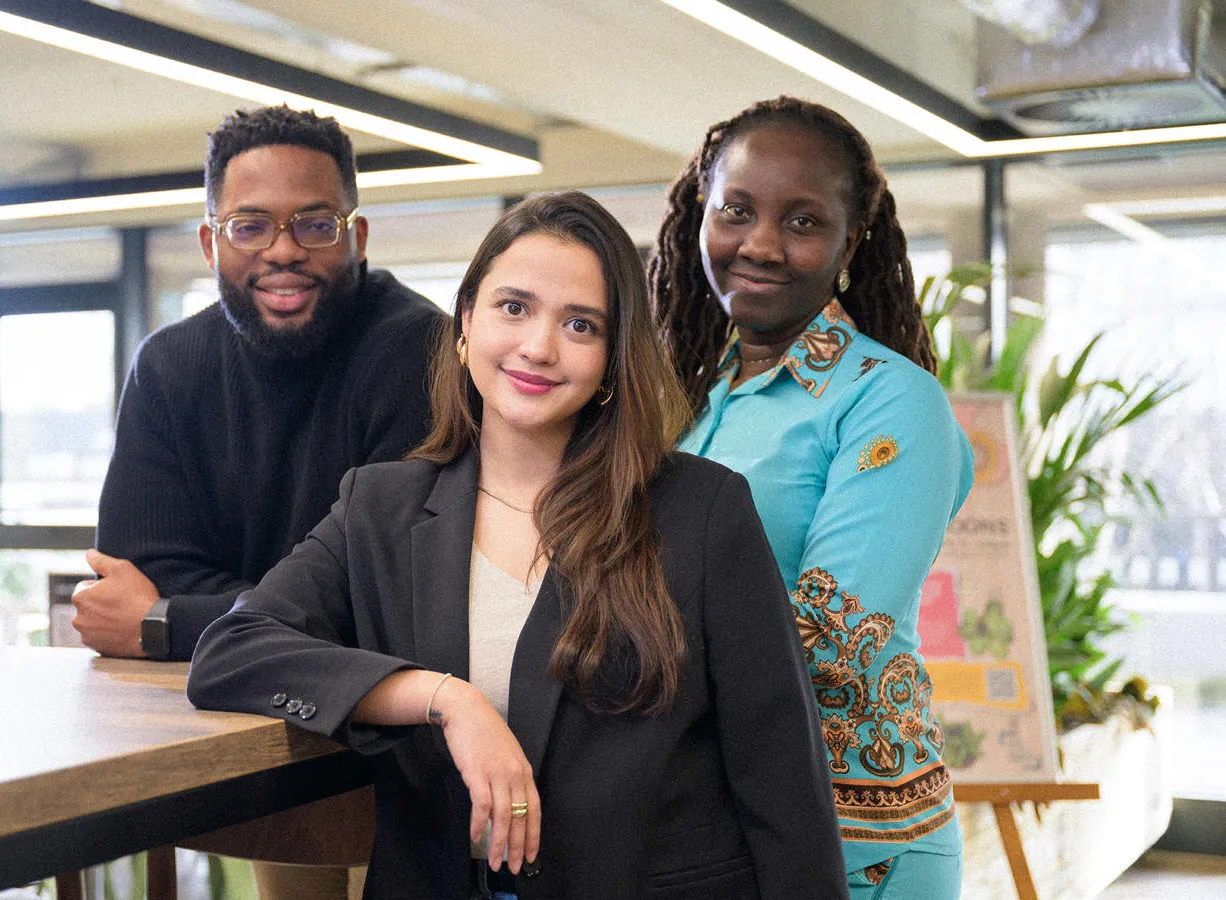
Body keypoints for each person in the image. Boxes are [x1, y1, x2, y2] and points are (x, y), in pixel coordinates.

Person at [187, 190, 847, 899]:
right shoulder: (379, 507)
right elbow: (233, 651)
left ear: (611, 357)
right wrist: (447, 700)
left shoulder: (702, 511)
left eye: (580, 324)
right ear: (466, 321)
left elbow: (782, 784)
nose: (539, 346)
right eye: (514, 308)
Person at [72, 105, 446, 898]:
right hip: (252, 735)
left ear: (357, 235)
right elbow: (140, 572)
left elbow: (386, 604)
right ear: (212, 241)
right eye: (250, 226)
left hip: (409, 746)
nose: (283, 252)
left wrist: (171, 620)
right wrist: (264, 624)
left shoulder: (421, 351)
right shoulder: (170, 368)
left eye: (315, 224)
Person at [649, 97, 975, 899]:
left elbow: (831, 633)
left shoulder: (892, 402)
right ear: (701, 214)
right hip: (703, 828)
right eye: (736, 211)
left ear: (850, 241)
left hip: (853, 842)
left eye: (801, 222)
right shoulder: (687, 396)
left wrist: (597, 682)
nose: (759, 245)